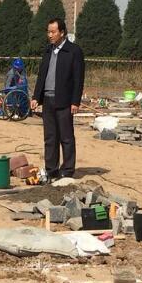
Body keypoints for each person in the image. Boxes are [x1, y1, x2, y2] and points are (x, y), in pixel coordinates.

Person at [30, 17, 85, 180]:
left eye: (53, 32)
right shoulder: (48, 51)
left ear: (62, 32)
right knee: (50, 137)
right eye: (48, 32)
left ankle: (67, 170)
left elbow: (78, 78)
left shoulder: (73, 51)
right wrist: (36, 97)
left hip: (65, 100)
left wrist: (75, 101)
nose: (50, 35)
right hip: (48, 100)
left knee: (66, 137)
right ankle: (51, 169)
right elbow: (42, 75)